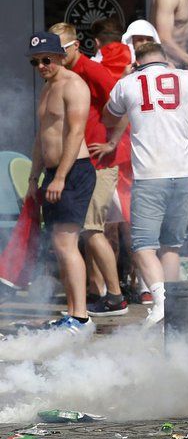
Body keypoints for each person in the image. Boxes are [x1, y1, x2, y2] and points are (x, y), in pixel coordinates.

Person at [103, 42, 188, 327]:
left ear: (136, 62)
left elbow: (108, 115)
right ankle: (174, 311)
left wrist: (128, 81)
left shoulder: (128, 83)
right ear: (165, 59)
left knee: (143, 246)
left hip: (150, 174)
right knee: (171, 246)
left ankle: (161, 302)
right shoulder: (186, 78)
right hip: (184, 172)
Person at [48, 23, 127, 317]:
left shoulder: (91, 72)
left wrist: (112, 142)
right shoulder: (60, 78)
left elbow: (123, 104)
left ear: (76, 46)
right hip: (80, 164)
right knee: (82, 231)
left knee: (93, 229)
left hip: (99, 163)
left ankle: (116, 296)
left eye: (60, 50)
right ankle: (97, 293)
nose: (54, 56)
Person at [27, 32, 97, 335]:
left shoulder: (74, 85)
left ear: (60, 56)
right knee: (58, 244)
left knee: (67, 243)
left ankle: (80, 317)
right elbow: (42, 138)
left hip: (73, 171)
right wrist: (34, 176)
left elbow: (75, 133)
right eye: (36, 62)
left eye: (47, 59)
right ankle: (72, 312)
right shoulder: (47, 88)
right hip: (53, 173)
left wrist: (59, 176)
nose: (42, 66)